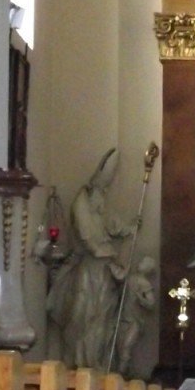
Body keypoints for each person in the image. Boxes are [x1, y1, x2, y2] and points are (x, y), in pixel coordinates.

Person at [46, 149, 138, 369]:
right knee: (82, 316)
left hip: (105, 271)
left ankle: (97, 363)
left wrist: (130, 227)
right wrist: (102, 251)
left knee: (103, 320)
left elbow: (112, 225)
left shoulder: (101, 201)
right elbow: (87, 236)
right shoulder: (82, 201)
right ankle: (79, 362)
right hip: (89, 270)